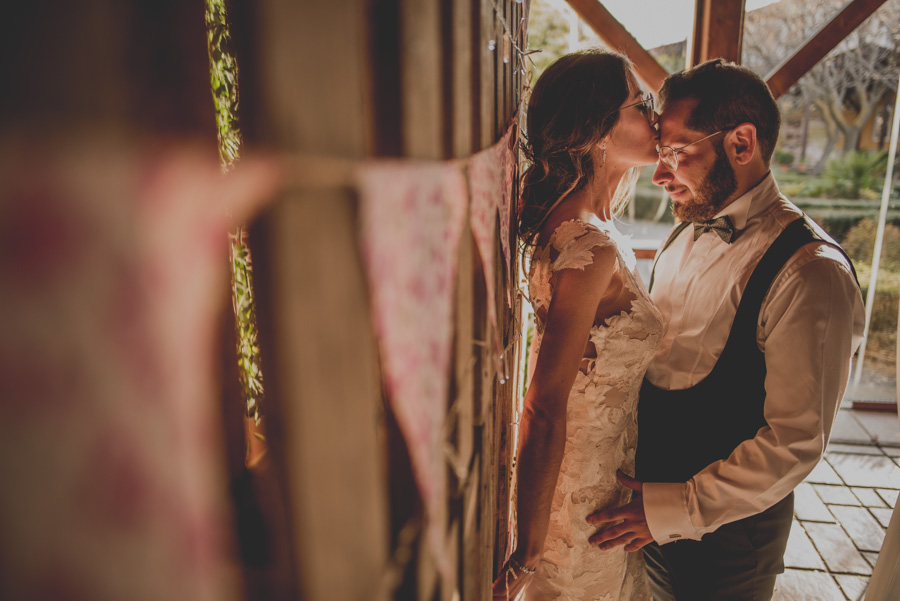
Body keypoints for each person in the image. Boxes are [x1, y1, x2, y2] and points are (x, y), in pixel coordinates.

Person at [586, 59, 866, 601]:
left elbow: (795, 442)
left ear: (741, 143)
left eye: (676, 154)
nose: (661, 174)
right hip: (642, 517)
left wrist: (672, 511)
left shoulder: (811, 272)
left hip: (728, 543)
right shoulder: (684, 230)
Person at [492, 48, 662, 601]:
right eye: (641, 105)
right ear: (598, 132)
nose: (655, 118)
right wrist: (528, 556)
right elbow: (542, 404)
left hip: (609, 489)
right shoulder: (588, 246)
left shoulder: (590, 230)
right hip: (581, 507)